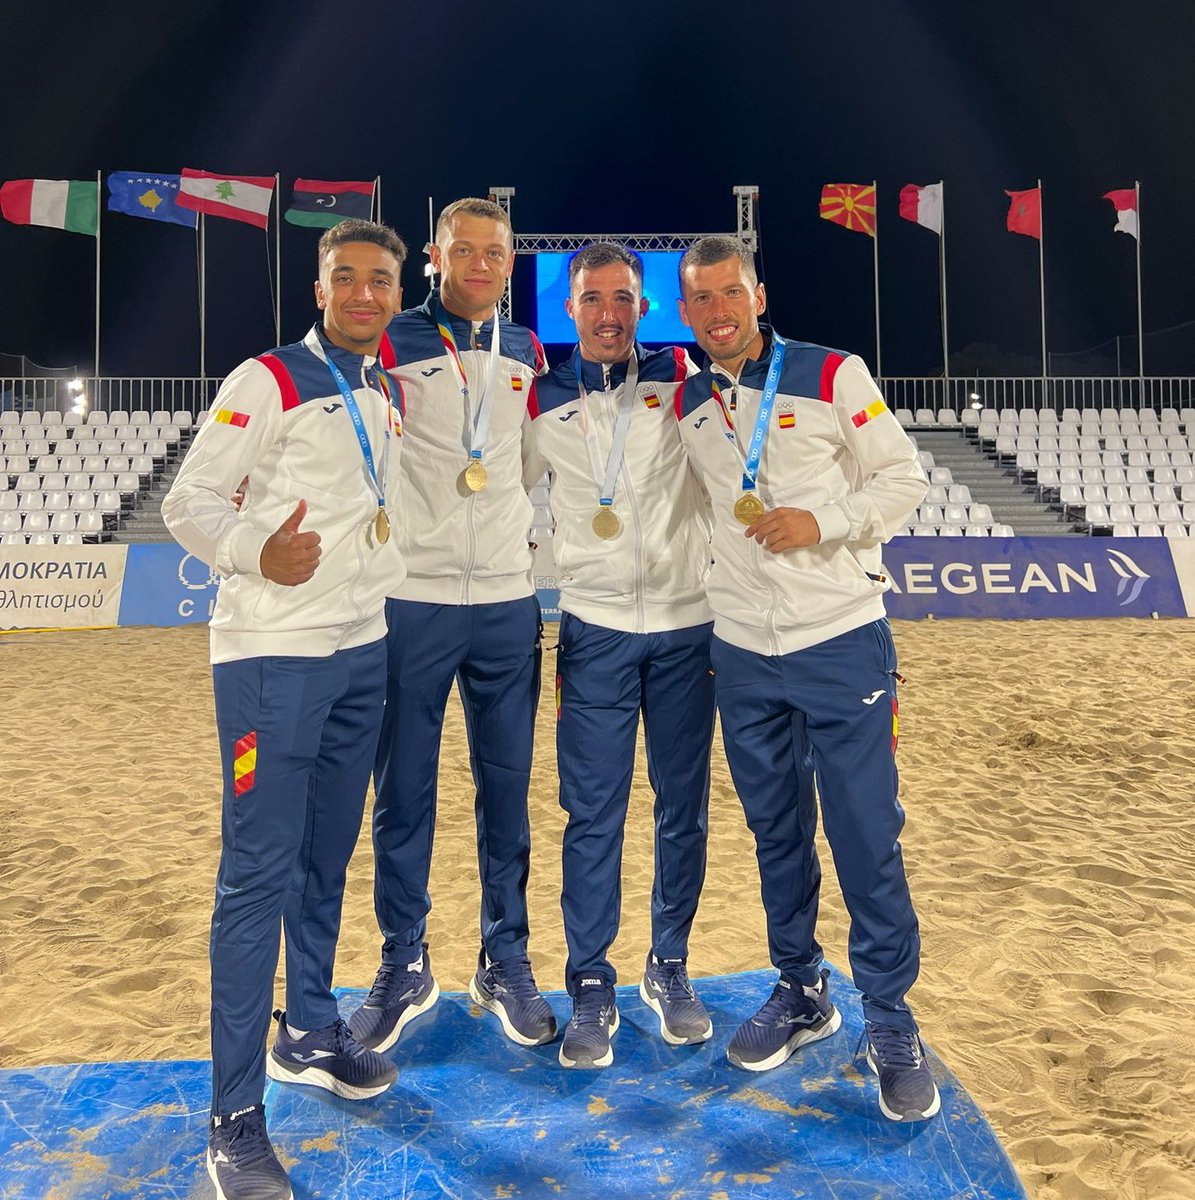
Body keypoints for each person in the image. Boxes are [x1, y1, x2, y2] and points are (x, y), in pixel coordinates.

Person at [162, 219, 408, 1199]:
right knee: (256, 874)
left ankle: (308, 1030)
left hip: (361, 648)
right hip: (273, 654)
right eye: (344, 278)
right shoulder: (264, 381)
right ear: (319, 288)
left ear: (396, 293)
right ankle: (232, 1118)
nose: (361, 294)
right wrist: (254, 552)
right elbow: (190, 504)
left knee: (325, 855)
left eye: (379, 281)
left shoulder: (381, 388)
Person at [674, 235, 939, 1122]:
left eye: (729, 294)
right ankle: (800, 989)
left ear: (758, 292)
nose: (717, 312)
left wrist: (819, 520)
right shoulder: (686, 400)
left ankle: (889, 1017)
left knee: (865, 832)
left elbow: (904, 480)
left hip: (840, 640)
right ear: (685, 312)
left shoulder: (831, 374)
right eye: (700, 300)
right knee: (774, 830)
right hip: (742, 651)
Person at [348, 198, 556, 1056]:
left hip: (508, 603)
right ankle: (404, 959)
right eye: (462, 250)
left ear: (510, 261)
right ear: (435, 257)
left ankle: (504, 956)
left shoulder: (527, 351)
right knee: (404, 795)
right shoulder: (391, 340)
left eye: (494, 252)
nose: (479, 264)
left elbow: (529, 464)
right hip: (414, 601)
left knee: (507, 791)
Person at [529, 242, 716, 1069]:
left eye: (623, 297)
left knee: (683, 808)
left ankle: (667, 965)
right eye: (592, 297)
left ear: (644, 307)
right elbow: (485, 487)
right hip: (593, 632)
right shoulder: (536, 399)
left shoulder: (684, 378)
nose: (608, 311)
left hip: (687, 628)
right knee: (592, 814)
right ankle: (591, 982)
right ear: (569, 308)